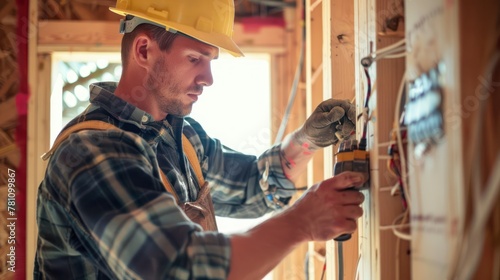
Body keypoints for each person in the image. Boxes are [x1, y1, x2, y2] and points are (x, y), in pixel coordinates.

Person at [34, 0, 366, 279]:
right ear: (144, 50)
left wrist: (307, 139)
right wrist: (302, 222)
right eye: (195, 58)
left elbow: (255, 185)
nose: (208, 78)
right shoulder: (95, 152)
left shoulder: (181, 136)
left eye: (210, 62)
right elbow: (181, 268)